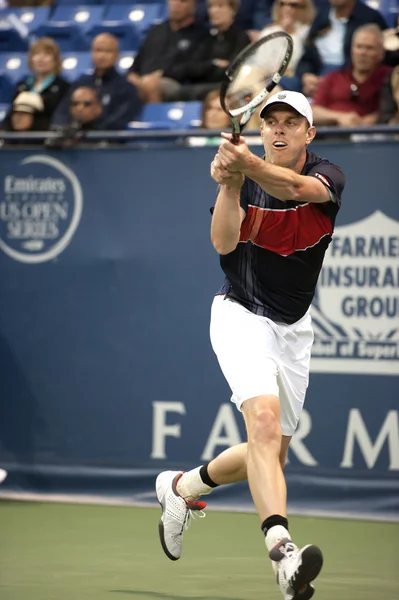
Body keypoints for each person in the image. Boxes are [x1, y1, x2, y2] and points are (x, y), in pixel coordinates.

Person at [155, 90, 345, 600]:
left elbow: (294, 185)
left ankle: (182, 487)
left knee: (271, 454)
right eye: (271, 123)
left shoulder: (328, 175)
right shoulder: (240, 178)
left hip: (294, 328)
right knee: (261, 423)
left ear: (309, 133)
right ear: (261, 130)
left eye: (291, 123)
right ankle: (283, 553)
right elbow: (221, 242)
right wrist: (233, 182)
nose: (279, 130)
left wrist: (245, 166)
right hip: (239, 313)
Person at [296, 0, 388, 98]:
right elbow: (307, 57)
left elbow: (379, 58)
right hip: (316, 76)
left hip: (347, 79)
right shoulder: (322, 15)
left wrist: (330, 81)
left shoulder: (370, 17)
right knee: (283, 83)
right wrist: (306, 76)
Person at [53, 33, 141, 130]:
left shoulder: (126, 88)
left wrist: (94, 122)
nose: (102, 56)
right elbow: (62, 113)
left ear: (117, 55)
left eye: (108, 51)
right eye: (98, 50)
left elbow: (120, 120)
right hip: (74, 141)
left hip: (107, 141)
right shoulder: (80, 83)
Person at [127, 0, 208, 103]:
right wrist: (133, 77)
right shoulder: (156, 31)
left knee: (151, 84)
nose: (176, 5)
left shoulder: (201, 34)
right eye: (173, 1)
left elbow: (195, 67)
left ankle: (154, 118)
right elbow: (137, 63)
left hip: (175, 83)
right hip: (144, 79)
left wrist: (161, 73)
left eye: (182, 1)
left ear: (194, 6)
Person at [312, 24, 391, 126]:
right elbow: (313, 112)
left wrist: (364, 123)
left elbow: (392, 111)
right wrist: (339, 117)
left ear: (381, 53)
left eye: (369, 48)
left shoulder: (389, 77)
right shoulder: (333, 77)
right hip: (331, 134)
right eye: (359, 47)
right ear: (351, 50)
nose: (363, 52)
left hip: (373, 135)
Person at [2, 37, 69, 131]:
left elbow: (60, 117)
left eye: (47, 54)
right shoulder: (22, 86)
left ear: (55, 60)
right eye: (36, 54)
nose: (41, 59)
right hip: (17, 140)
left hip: (45, 137)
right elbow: (11, 115)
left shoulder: (64, 87)